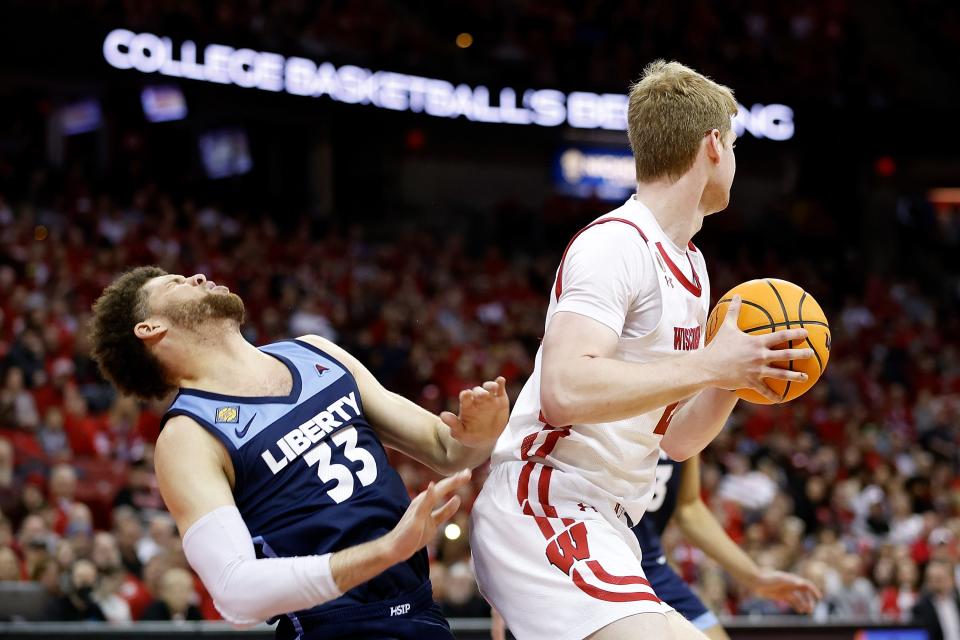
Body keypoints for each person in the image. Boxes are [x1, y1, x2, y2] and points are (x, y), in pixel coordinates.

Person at [470, 60, 813, 640]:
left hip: (612, 519)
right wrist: (711, 363)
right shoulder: (614, 244)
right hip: (546, 499)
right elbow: (564, 391)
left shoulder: (694, 268)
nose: (734, 161)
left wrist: (732, 382)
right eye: (733, 144)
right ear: (712, 145)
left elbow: (677, 440)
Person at [88, 267, 510, 639]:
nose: (196, 277)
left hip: (420, 613)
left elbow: (446, 450)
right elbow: (235, 593)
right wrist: (384, 552)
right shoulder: (188, 435)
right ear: (150, 328)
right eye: (176, 283)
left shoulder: (315, 351)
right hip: (331, 628)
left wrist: (482, 434)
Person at [633, 452, 821, 639]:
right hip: (610, 563)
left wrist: (755, 576)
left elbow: (688, 508)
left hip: (651, 566)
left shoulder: (685, 425)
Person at [911, 560, 960, 640]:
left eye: (939, 579)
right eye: (931, 579)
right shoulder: (920, 608)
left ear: (952, 579)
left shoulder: (957, 602)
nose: (935, 583)